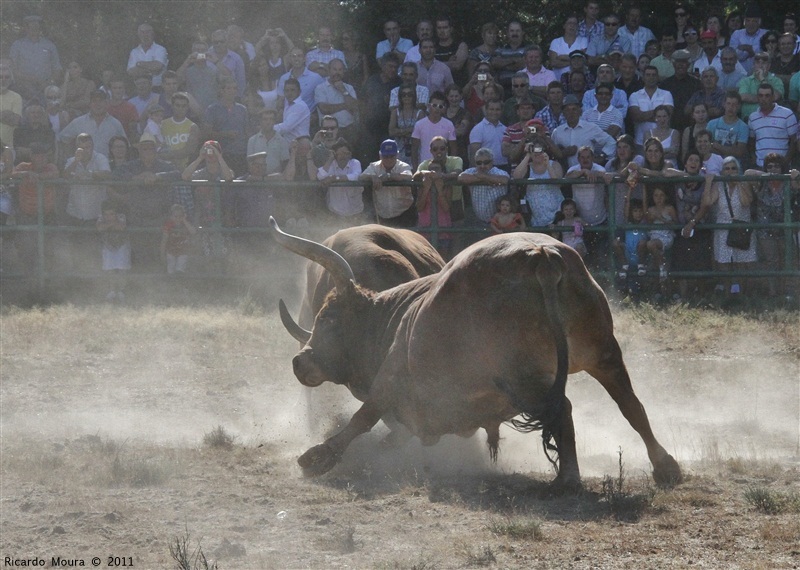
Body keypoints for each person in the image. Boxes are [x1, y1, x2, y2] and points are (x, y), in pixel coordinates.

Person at [681, 157, 757, 296]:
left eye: (733, 168)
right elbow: (707, 202)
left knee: (742, 263)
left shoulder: (744, 183)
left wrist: (738, 183)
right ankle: (727, 295)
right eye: (727, 169)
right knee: (724, 264)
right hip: (723, 227)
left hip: (741, 226)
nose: (730, 171)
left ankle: (743, 296)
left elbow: (746, 202)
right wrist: (709, 183)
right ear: (722, 171)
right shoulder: (720, 185)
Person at [746, 154, 800, 296]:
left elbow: (797, 187)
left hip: (784, 227)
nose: (774, 169)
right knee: (771, 261)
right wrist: (768, 175)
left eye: (777, 166)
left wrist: (794, 175)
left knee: (785, 259)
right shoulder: (761, 181)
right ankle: (772, 292)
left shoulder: (787, 181)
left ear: (782, 167)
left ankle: (785, 291)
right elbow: (747, 173)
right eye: (770, 166)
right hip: (765, 228)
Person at [415, 135, 464, 255]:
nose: (439, 152)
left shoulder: (456, 160)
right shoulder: (425, 164)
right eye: (435, 149)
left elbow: (457, 174)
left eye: (442, 148)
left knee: (455, 239)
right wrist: (426, 173)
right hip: (430, 206)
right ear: (431, 151)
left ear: (447, 149)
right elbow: (415, 176)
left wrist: (439, 176)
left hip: (455, 201)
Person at [359, 139, 416, 227]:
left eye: (391, 156)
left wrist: (389, 176)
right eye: (386, 156)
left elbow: (408, 176)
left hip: (404, 213)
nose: (389, 159)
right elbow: (361, 177)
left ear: (397, 155)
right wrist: (372, 177)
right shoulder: (374, 167)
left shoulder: (403, 166)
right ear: (380, 155)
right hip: (382, 215)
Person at [550, 94, 616, 169]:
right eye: (567, 110)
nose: (571, 113)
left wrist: (602, 156)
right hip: (566, 174)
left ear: (580, 111)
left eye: (574, 109)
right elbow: (553, 154)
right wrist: (564, 153)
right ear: (563, 113)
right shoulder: (557, 132)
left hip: (589, 175)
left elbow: (611, 142)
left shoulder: (590, 128)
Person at [512, 140, 564, 229]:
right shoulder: (527, 166)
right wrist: (528, 155)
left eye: (539, 150)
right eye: (534, 150)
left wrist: (547, 164)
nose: (537, 153)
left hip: (556, 214)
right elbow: (516, 177)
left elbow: (558, 184)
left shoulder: (554, 164)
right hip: (535, 216)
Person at [9, 15, 62, 101]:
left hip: (45, 87)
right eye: (31, 26)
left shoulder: (49, 45)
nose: (34, 29)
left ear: (40, 28)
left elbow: (57, 68)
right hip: (23, 87)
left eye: (36, 26)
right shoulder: (17, 45)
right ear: (25, 28)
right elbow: (12, 69)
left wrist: (49, 83)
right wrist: (30, 79)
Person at [361, 53, 401, 161]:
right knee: (369, 158)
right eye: (390, 66)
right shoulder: (372, 81)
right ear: (382, 66)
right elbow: (363, 101)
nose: (393, 69)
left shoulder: (399, 83)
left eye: (395, 67)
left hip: (388, 128)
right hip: (370, 127)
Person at [748, 82, 798, 168]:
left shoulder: (787, 114)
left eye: (767, 95)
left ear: (773, 97)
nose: (764, 99)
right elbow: (751, 141)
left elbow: (794, 141)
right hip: (760, 166)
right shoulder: (752, 117)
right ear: (757, 97)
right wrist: (754, 158)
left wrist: (785, 162)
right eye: (761, 95)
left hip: (781, 166)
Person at [457, 147, 510, 226]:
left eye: (486, 162)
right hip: (480, 221)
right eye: (479, 163)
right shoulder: (472, 171)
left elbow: (505, 180)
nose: (482, 165)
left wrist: (483, 176)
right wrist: (484, 178)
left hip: (500, 221)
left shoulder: (499, 172)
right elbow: (460, 178)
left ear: (492, 162)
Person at [205, 78, 248, 175]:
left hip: (240, 153)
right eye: (229, 88)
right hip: (222, 154)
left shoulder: (242, 109)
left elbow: (246, 131)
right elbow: (207, 134)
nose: (232, 91)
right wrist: (225, 134)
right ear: (222, 90)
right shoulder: (212, 109)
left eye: (234, 88)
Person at [316, 139, 364, 221]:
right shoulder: (332, 164)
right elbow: (320, 176)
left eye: (346, 153)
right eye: (341, 153)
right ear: (335, 154)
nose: (344, 156)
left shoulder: (355, 163)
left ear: (350, 155)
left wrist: (334, 178)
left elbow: (356, 176)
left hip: (355, 211)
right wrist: (330, 159)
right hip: (335, 212)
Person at [628, 66, 674, 148]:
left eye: (654, 75)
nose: (651, 77)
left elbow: (669, 113)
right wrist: (659, 115)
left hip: (663, 141)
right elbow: (636, 117)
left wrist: (643, 116)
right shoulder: (635, 95)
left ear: (658, 78)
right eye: (648, 75)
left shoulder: (667, 94)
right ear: (643, 78)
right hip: (640, 142)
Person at [314, 59, 358, 141]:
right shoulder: (320, 88)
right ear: (329, 70)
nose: (337, 73)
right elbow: (324, 109)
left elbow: (355, 108)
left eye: (340, 70)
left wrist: (343, 90)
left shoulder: (349, 88)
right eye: (334, 69)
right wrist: (346, 105)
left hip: (349, 130)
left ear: (343, 72)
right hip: (328, 130)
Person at [641, 185, 678, 279]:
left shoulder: (670, 209)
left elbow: (676, 224)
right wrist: (651, 218)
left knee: (650, 244)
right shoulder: (650, 209)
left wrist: (661, 218)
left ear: (666, 197)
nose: (659, 198)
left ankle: (662, 267)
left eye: (661, 195)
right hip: (654, 236)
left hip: (666, 236)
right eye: (656, 195)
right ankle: (658, 266)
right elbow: (648, 222)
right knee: (647, 244)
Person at [659, 50, 700, 133]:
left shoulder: (697, 84)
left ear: (688, 64)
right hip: (671, 126)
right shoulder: (665, 84)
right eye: (678, 62)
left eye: (684, 62)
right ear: (673, 64)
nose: (681, 65)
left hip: (691, 126)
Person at [97, 199, 130, 300]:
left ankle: (121, 291)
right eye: (106, 214)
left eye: (112, 214)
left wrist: (107, 225)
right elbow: (99, 228)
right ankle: (112, 290)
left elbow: (121, 227)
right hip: (108, 247)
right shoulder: (100, 218)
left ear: (116, 213)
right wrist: (111, 224)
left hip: (122, 246)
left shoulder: (122, 217)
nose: (109, 217)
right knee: (109, 269)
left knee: (122, 269)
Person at [177, 40, 222, 112]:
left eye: (203, 50)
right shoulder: (187, 71)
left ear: (207, 52)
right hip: (192, 111)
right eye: (197, 50)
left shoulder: (214, 70)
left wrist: (216, 61)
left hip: (212, 110)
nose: (200, 52)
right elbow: (176, 80)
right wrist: (187, 62)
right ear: (192, 52)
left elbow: (227, 80)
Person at [159, 92, 200, 170]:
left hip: (185, 168)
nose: (180, 109)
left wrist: (167, 155)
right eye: (177, 105)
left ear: (187, 107)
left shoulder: (193, 127)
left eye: (183, 106)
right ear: (172, 106)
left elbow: (189, 150)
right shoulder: (162, 124)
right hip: (164, 168)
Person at [707, 91, 748, 162]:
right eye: (728, 104)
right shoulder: (712, 124)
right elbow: (707, 147)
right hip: (714, 164)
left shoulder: (743, 127)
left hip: (734, 167)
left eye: (734, 104)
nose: (731, 107)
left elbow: (739, 152)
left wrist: (717, 146)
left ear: (739, 106)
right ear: (723, 104)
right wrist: (731, 150)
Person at [247, 108, 290, 175]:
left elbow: (285, 164)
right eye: (265, 119)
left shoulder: (282, 141)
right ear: (260, 121)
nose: (268, 122)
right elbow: (250, 163)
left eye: (271, 119)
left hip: (275, 181)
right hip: (257, 180)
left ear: (274, 121)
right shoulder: (252, 141)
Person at [389, 86, 425, 165]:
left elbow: (421, 131)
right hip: (399, 147)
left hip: (416, 148)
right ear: (400, 96)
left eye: (409, 94)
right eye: (403, 94)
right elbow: (391, 131)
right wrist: (410, 130)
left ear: (414, 96)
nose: (406, 97)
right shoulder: (395, 112)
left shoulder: (420, 112)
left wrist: (400, 131)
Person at [613, 197, 647, 278]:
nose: (638, 213)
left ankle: (641, 265)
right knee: (615, 243)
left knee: (643, 243)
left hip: (642, 254)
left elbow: (645, 203)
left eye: (640, 211)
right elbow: (627, 205)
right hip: (628, 253)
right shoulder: (627, 223)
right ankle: (624, 265)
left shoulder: (645, 222)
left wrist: (643, 186)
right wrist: (630, 188)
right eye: (635, 211)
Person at [127, 23, 169, 88]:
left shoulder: (160, 49)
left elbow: (157, 66)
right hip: (138, 89)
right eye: (142, 32)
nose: (145, 35)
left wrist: (139, 64)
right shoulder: (134, 52)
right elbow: (131, 72)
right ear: (138, 35)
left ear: (153, 34)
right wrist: (151, 70)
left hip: (157, 88)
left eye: (148, 32)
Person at [468, 99, 506, 169]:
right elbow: (474, 154)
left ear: (501, 111)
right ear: (486, 110)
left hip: (504, 167)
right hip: (484, 168)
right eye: (491, 109)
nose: (494, 112)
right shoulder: (478, 129)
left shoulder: (505, 129)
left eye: (497, 109)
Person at [160, 202, 196, 276]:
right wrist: (162, 253)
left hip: (183, 252)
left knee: (179, 271)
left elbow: (193, 232)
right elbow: (164, 240)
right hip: (171, 252)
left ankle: (180, 285)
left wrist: (185, 220)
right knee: (170, 272)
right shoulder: (168, 225)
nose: (178, 219)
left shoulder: (185, 224)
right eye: (175, 216)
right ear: (171, 216)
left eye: (180, 216)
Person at [208, 29, 246, 98]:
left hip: (230, 99)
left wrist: (238, 99)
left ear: (227, 42)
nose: (218, 44)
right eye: (216, 42)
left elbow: (241, 82)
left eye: (221, 41)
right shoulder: (206, 56)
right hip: (209, 98)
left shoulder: (236, 58)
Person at [492, 21, 529, 92]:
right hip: (503, 88)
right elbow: (495, 63)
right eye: (512, 31)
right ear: (508, 33)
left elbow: (523, 65)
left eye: (517, 31)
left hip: (523, 88)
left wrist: (504, 64)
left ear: (522, 32)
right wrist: (513, 61)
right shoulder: (500, 49)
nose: (514, 33)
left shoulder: (528, 49)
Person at [729, 5, 766, 73]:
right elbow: (734, 56)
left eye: (754, 21)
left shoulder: (765, 34)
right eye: (748, 20)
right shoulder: (736, 34)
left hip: (760, 73)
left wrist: (748, 50)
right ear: (744, 22)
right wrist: (753, 52)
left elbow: (765, 56)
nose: (750, 24)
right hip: (739, 74)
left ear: (759, 22)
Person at [433, 16, 469, 86]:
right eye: (439, 28)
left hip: (456, 89)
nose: (442, 31)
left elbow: (457, 66)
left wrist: (434, 64)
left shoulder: (461, 45)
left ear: (451, 29)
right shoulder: (432, 46)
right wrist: (449, 63)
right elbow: (427, 65)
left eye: (445, 27)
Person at [0, 65, 23, 153]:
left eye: (7, 77)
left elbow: (16, 121)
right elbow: (11, 118)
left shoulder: (17, 97)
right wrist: (6, 114)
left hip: (8, 148)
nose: (3, 80)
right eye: (0, 77)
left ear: (11, 80)